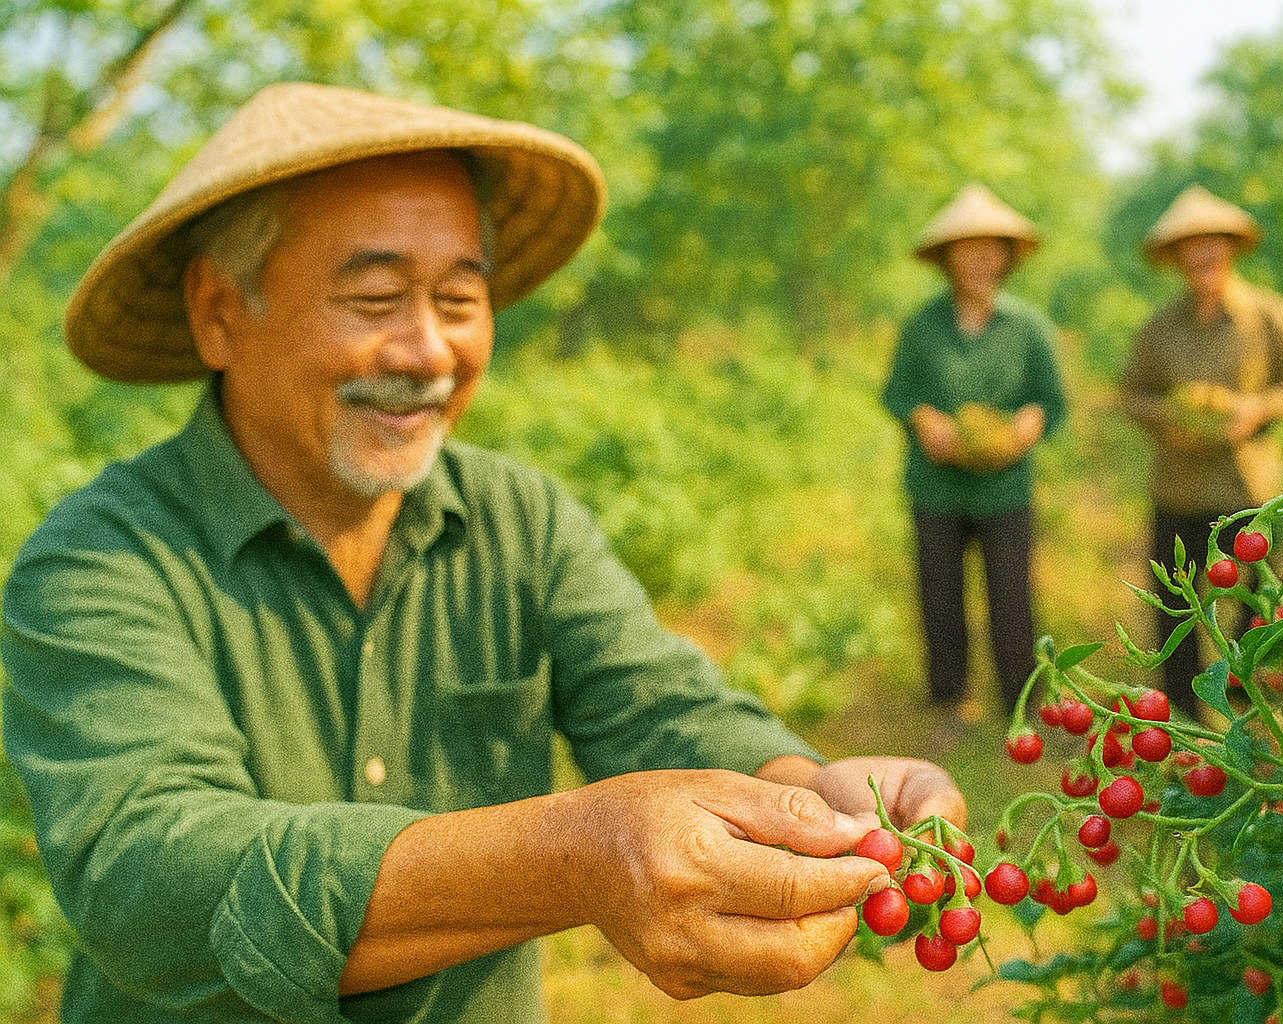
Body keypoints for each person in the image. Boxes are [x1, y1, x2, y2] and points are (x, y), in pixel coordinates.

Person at [0, 83, 966, 1024]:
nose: (428, 351)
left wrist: (809, 795)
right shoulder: (101, 561)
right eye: (375, 296)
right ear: (219, 313)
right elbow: (155, 879)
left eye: (460, 298)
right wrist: (573, 853)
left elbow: (655, 703)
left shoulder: (521, 522)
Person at [1121, 184, 1283, 719]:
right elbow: (1131, 395)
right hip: (1179, 483)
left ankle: (1247, 688)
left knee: (1255, 593)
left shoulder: (1268, 316)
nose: (1204, 255)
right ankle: (1180, 701)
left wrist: (1252, 410)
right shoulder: (1158, 326)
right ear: (1177, 257)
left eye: (1213, 244)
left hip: (1245, 481)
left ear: (1229, 249)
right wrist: (1167, 416)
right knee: (1177, 598)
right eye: (1192, 246)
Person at [881, 184, 1067, 727]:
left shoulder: (1028, 327)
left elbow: (1050, 402)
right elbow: (897, 391)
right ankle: (949, 700)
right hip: (936, 485)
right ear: (947, 258)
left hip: (1005, 486)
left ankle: (1022, 703)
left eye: (992, 248)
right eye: (968, 247)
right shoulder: (922, 326)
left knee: (1012, 598)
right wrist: (923, 418)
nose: (981, 258)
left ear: (1008, 257)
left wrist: (1029, 423)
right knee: (940, 594)